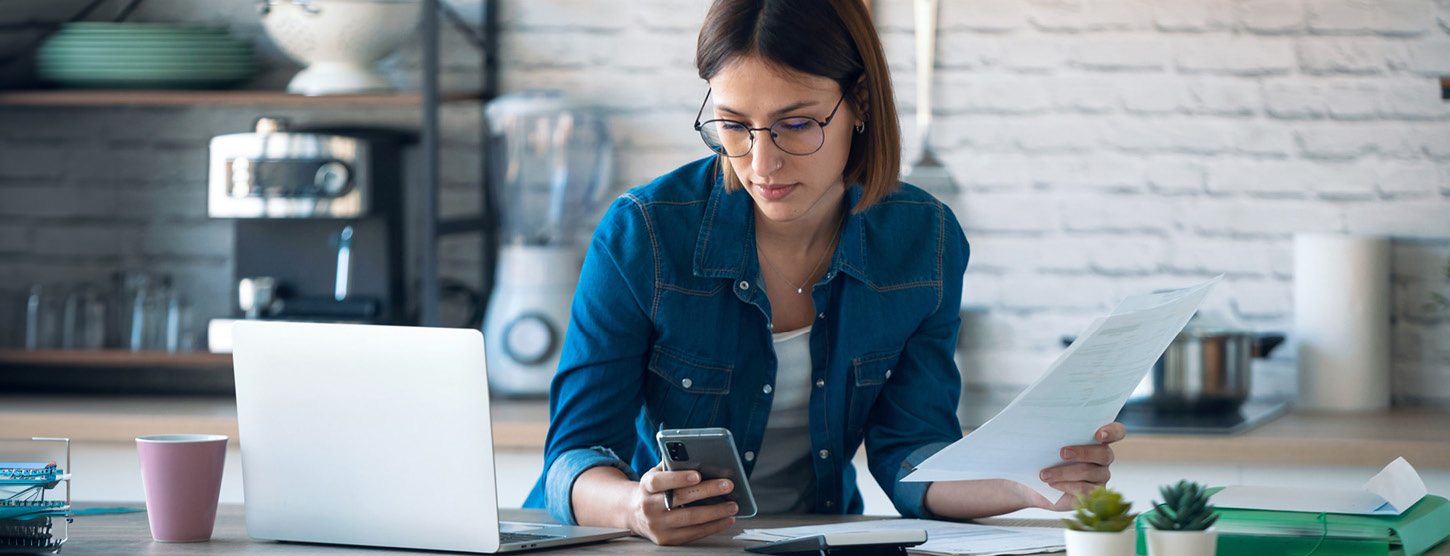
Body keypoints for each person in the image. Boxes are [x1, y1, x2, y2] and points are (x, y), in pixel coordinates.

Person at [523, 0, 1125, 545]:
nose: (762, 163)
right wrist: (635, 508)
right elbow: (573, 457)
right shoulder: (643, 235)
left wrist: (1023, 480)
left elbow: (911, 452)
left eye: (796, 124)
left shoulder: (924, 240)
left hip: (821, 541)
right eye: (734, 125)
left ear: (860, 102)